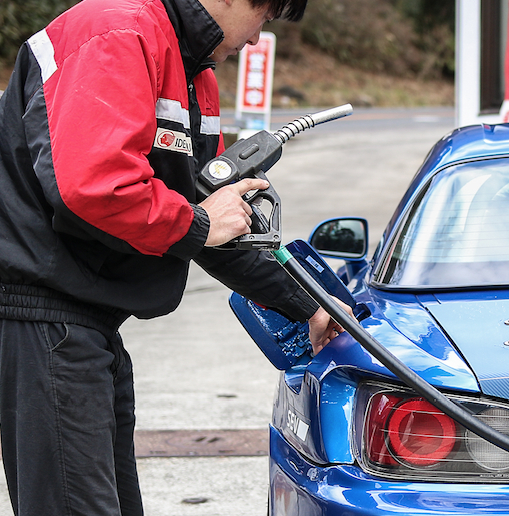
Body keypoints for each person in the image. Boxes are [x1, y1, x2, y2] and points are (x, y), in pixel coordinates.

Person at [0, 0, 352, 514]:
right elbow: (96, 188)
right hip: (46, 319)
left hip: (90, 324)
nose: (257, 39)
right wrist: (199, 222)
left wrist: (311, 306)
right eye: (264, 18)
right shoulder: (118, 32)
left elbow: (216, 220)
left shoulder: (192, 70)